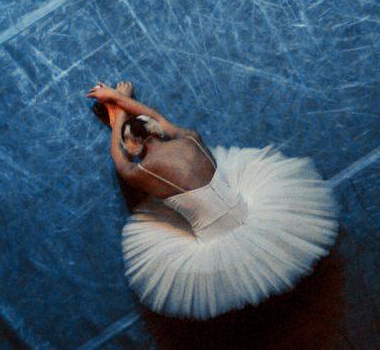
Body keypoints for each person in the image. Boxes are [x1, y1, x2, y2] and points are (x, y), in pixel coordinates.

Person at [87, 80, 338, 319]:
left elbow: (119, 159)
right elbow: (158, 118)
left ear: (132, 145)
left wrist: (117, 113)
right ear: (155, 130)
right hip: (248, 213)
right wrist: (118, 97)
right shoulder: (189, 138)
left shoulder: (144, 171)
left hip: (215, 239)